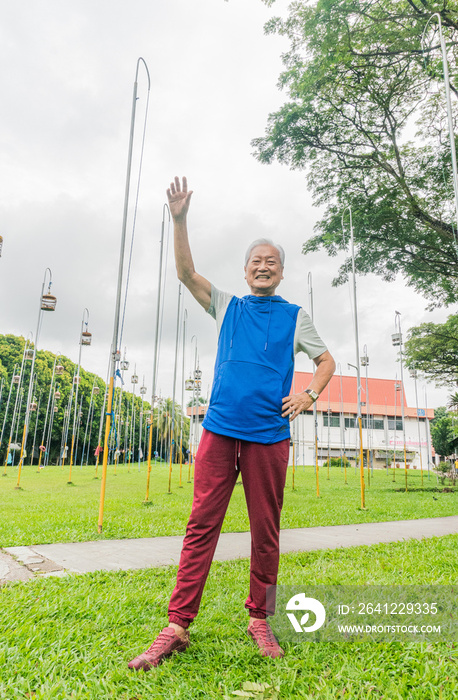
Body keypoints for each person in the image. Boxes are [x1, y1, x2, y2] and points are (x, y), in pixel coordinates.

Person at [128, 176, 335, 671]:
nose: (263, 267)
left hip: (269, 437)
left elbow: (327, 362)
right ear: (245, 272)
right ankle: (177, 626)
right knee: (202, 525)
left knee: (267, 530)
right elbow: (185, 273)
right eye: (255, 262)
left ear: (281, 273)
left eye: (272, 262)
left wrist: (308, 393)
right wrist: (179, 220)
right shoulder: (227, 306)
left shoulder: (296, 317)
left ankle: (259, 618)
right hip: (220, 430)